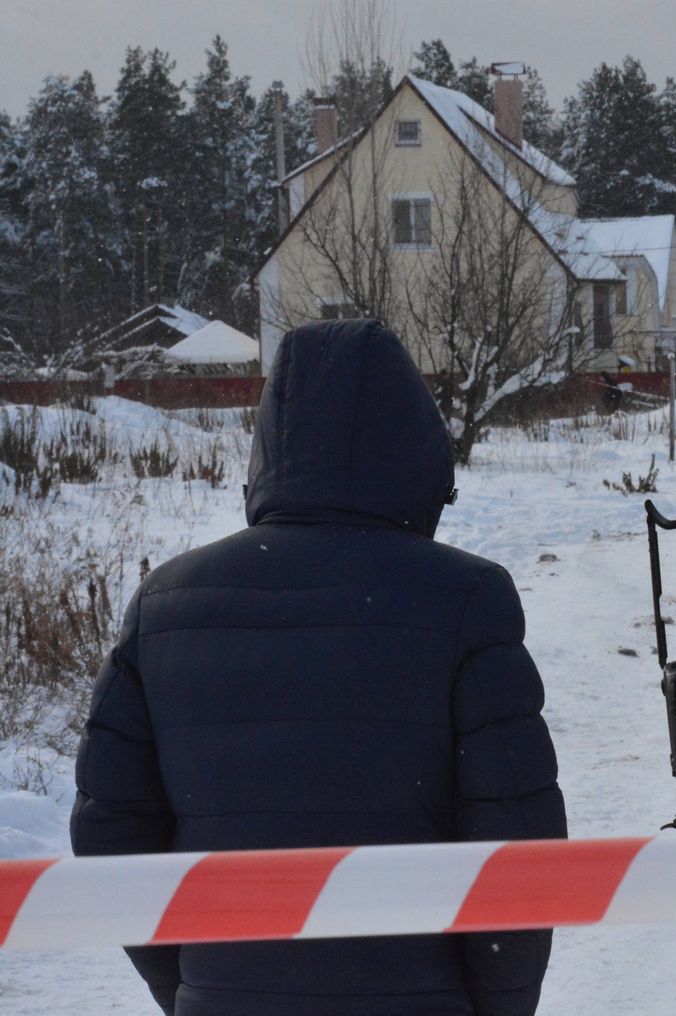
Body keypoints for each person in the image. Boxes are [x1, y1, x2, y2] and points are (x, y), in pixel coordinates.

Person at [72, 319, 565, 1016]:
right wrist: (495, 1005)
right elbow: (517, 844)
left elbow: (110, 833)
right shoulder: (465, 599)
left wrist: (191, 980)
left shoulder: (165, 607)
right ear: (418, 447)